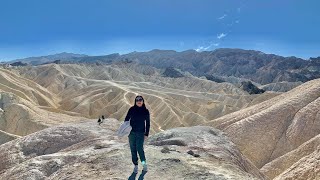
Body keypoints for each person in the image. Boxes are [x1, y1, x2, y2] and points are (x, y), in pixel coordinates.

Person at [124, 95, 150, 174]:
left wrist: (146, 134)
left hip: (140, 133)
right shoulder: (132, 109)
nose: (139, 101)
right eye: (137, 100)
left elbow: (148, 123)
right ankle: (135, 165)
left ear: (143, 101)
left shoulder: (145, 111)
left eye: (140, 100)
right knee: (133, 149)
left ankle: (144, 164)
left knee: (139, 148)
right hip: (131, 133)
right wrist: (126, 128)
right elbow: (126, 119)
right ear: (135, 102)